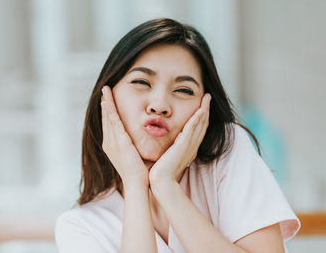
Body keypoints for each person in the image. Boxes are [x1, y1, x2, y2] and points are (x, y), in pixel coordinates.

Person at [55, 18, 300, 252]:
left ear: (204, 108)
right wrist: (134, 183)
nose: (160, 104)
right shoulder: (80, 227)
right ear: (106, 98)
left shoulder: (227, 151)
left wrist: (165, 185)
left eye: (183, 89)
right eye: (141, 82)